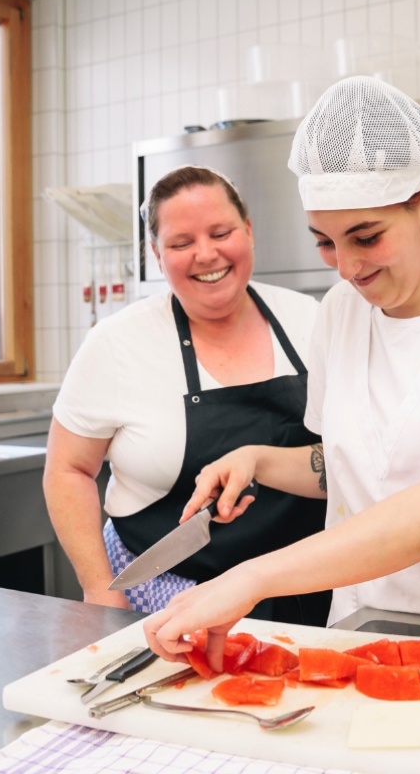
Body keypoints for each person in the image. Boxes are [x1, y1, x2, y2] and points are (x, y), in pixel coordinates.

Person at [143, 76, 420, 667]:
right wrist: (260, 460)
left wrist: (250, 579)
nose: (346, 267)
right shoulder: (342, 313)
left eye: (365, 237)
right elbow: (350, 467)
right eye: (324, 242)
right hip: (368, 628)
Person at [43, 165, 330, 625]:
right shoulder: (118, 343)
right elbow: (67, 469)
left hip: (305, 586)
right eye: (181, 243)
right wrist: (97, 586)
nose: (206, 254)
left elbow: (345, 457)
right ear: (156, 254)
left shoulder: (311, 321)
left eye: (221, 232)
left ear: (249, 231)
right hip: (167, 594)